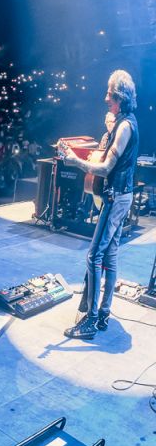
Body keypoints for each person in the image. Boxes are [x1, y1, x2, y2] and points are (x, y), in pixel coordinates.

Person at [60, 70, 140, 340]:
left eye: (109, 93)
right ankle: (103, 313)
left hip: (116, 196)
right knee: (110, 255)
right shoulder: (124, 123)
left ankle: (91, 320)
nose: (105, 98)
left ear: (119, 97)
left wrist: (74, 160)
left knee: (94, 256)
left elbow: (105, 168)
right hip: (121, 195)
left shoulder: (125, 126)